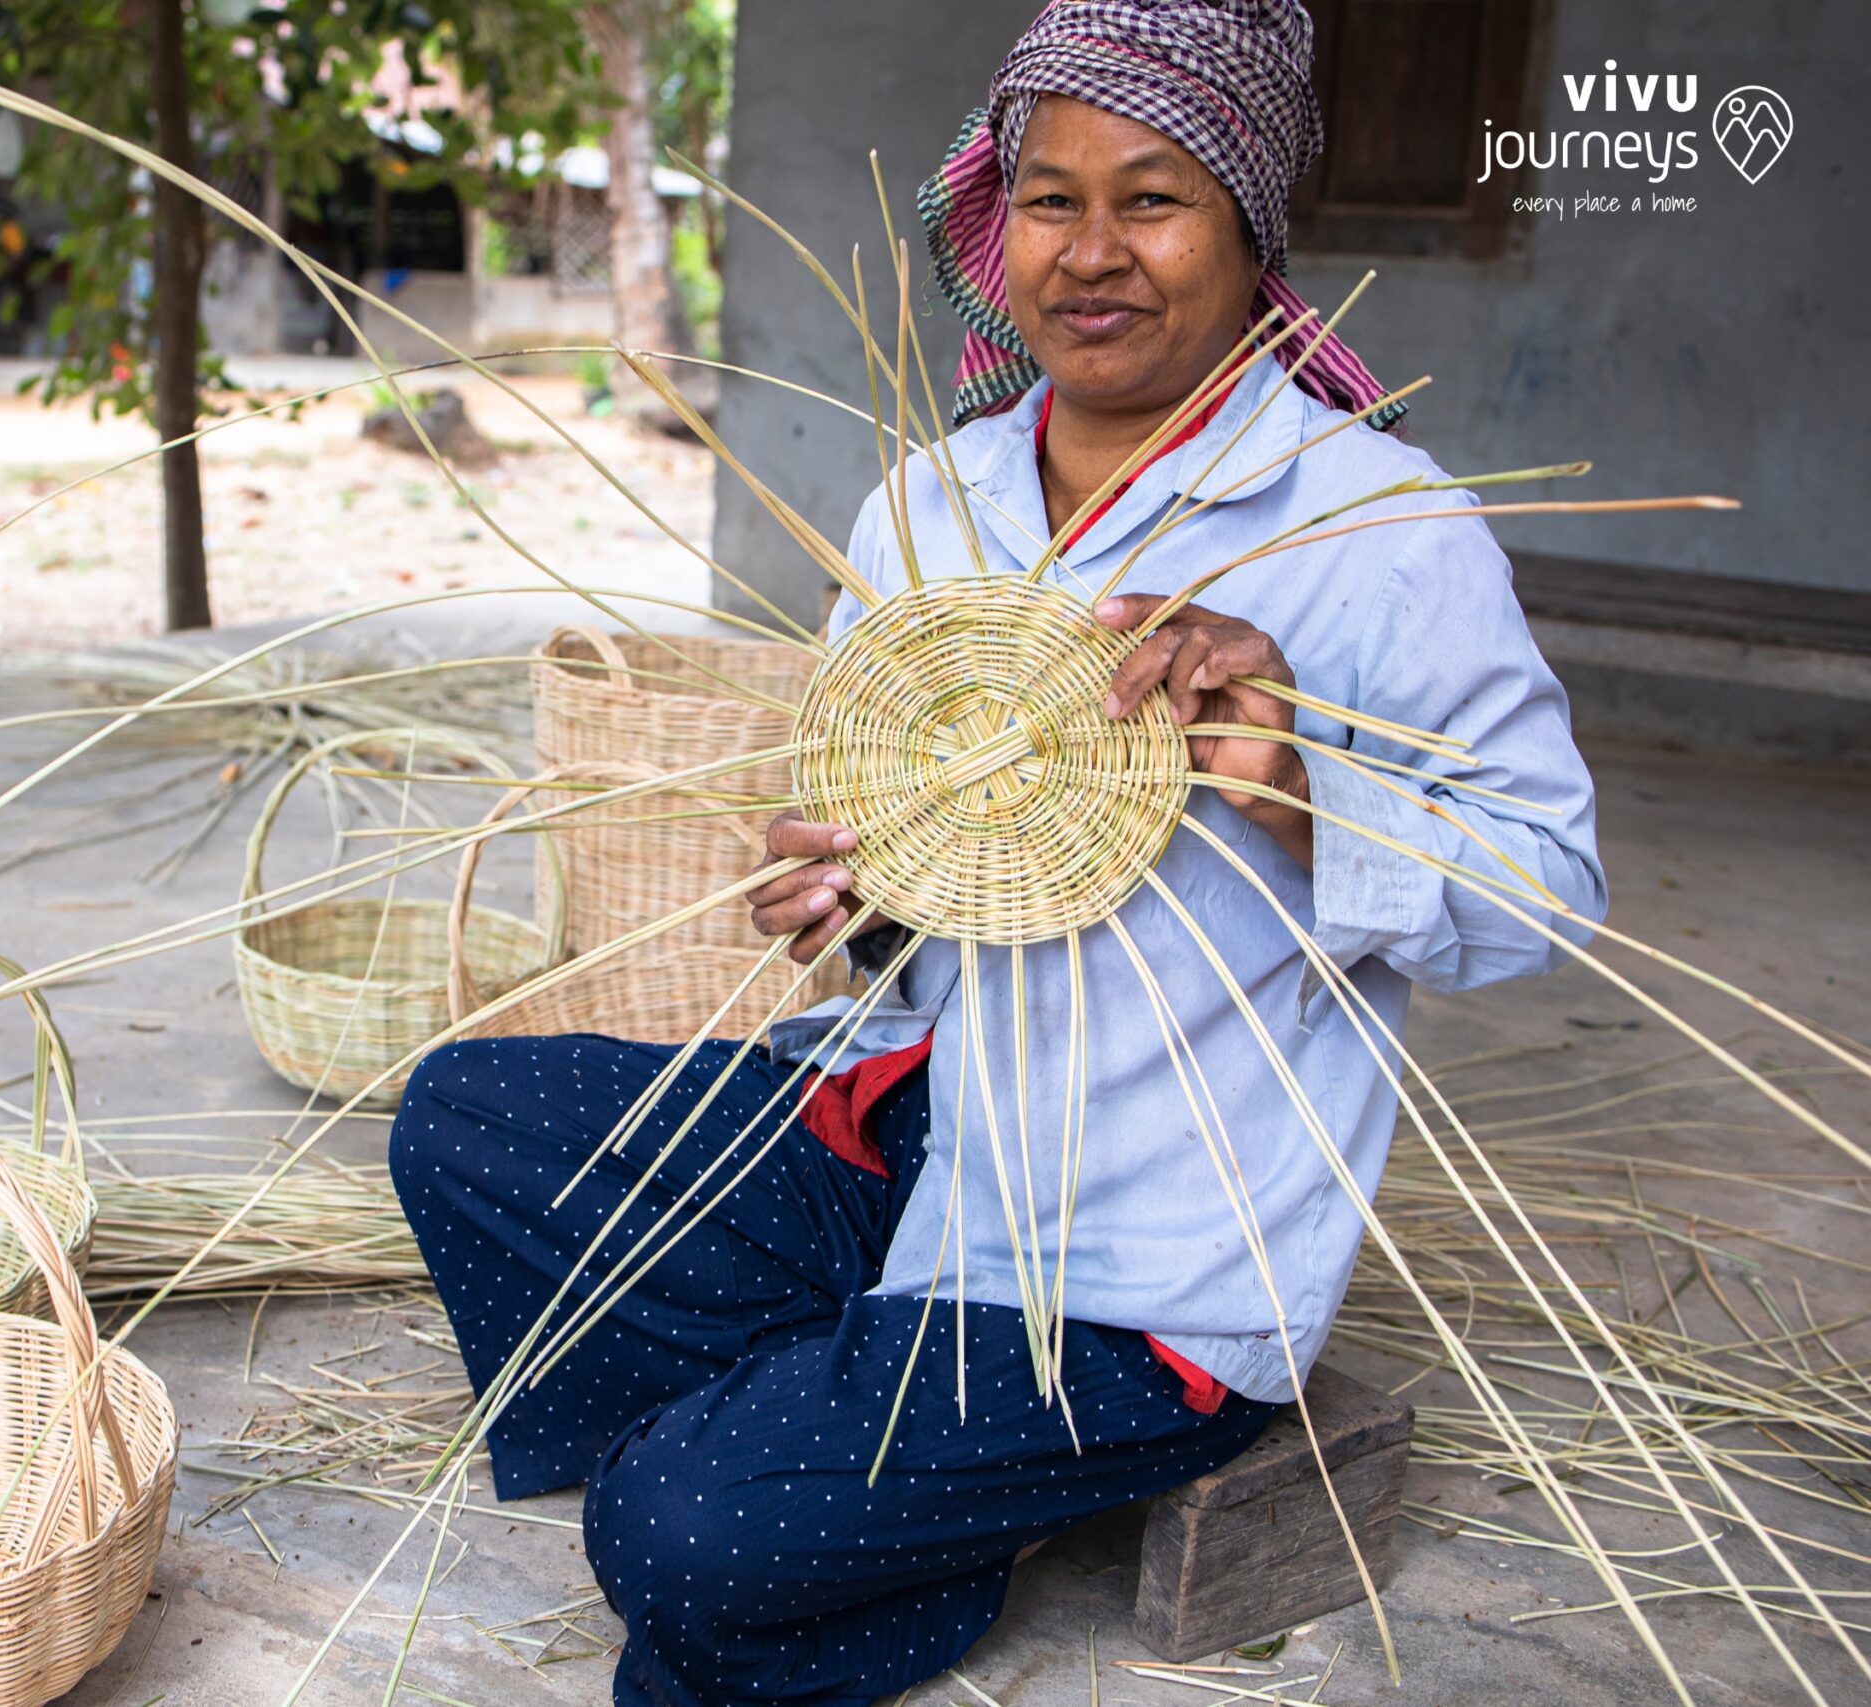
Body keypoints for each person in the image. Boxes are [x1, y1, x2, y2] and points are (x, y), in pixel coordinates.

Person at [389, 4, 1605, 1701]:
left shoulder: (1382, 530)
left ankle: (877, 1517)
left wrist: (1302, 783)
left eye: (1155, 199)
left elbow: (1547, 888)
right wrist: (846, 893)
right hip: (924, 1134)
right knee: (465, 1119)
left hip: (1134, 1261)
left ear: (1254, 227)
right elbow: (898, 889)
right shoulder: (931, 509)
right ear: (998, 221)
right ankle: (849, 1436)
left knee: (675, 1543)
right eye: (1052, 199)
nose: (1093, 254)